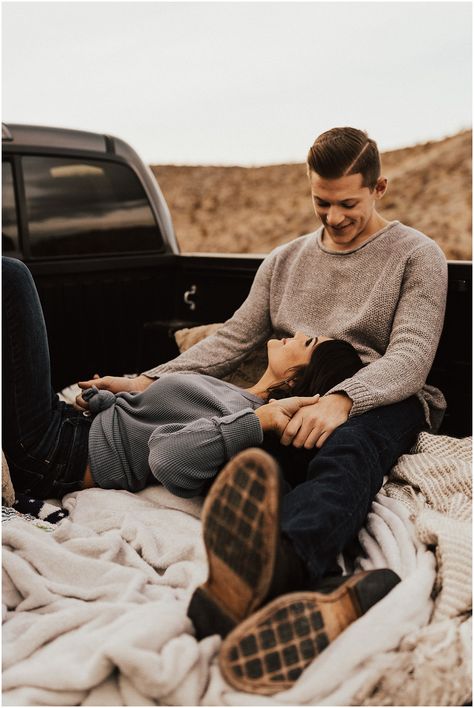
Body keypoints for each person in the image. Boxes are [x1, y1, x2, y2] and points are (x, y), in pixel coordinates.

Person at [76, 126, 448, 692]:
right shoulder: (284, 261)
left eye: (348, 203)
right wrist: (148, 379)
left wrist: (344, 401)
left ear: (380, 189)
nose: (333, 217)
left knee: (347, 448)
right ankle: (291, 593)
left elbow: (410, 359)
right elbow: (232, 341)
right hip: (295, 391)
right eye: (321, 203)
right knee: (260, 456)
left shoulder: (417, 256)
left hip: (380, 393)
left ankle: (286, 567)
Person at [2, 254, 365, 500]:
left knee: (12, 278)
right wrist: (112, 399)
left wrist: (258, 420)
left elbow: (165, 458)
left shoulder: (247, 423)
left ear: (293, 382)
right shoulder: (237, 395)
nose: (299, 334)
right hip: (69, 425)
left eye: (309, 342)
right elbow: (148, 426)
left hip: (54, 455)